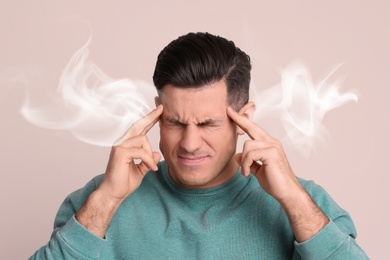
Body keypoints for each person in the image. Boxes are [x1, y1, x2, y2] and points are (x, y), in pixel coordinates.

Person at [30, 32, 368, 259]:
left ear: (243, 119)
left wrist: (292, 199)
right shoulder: (97, 202)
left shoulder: (305, 202)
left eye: (208, 124)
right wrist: (107, 198)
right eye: (175, 122)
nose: (189, 144)